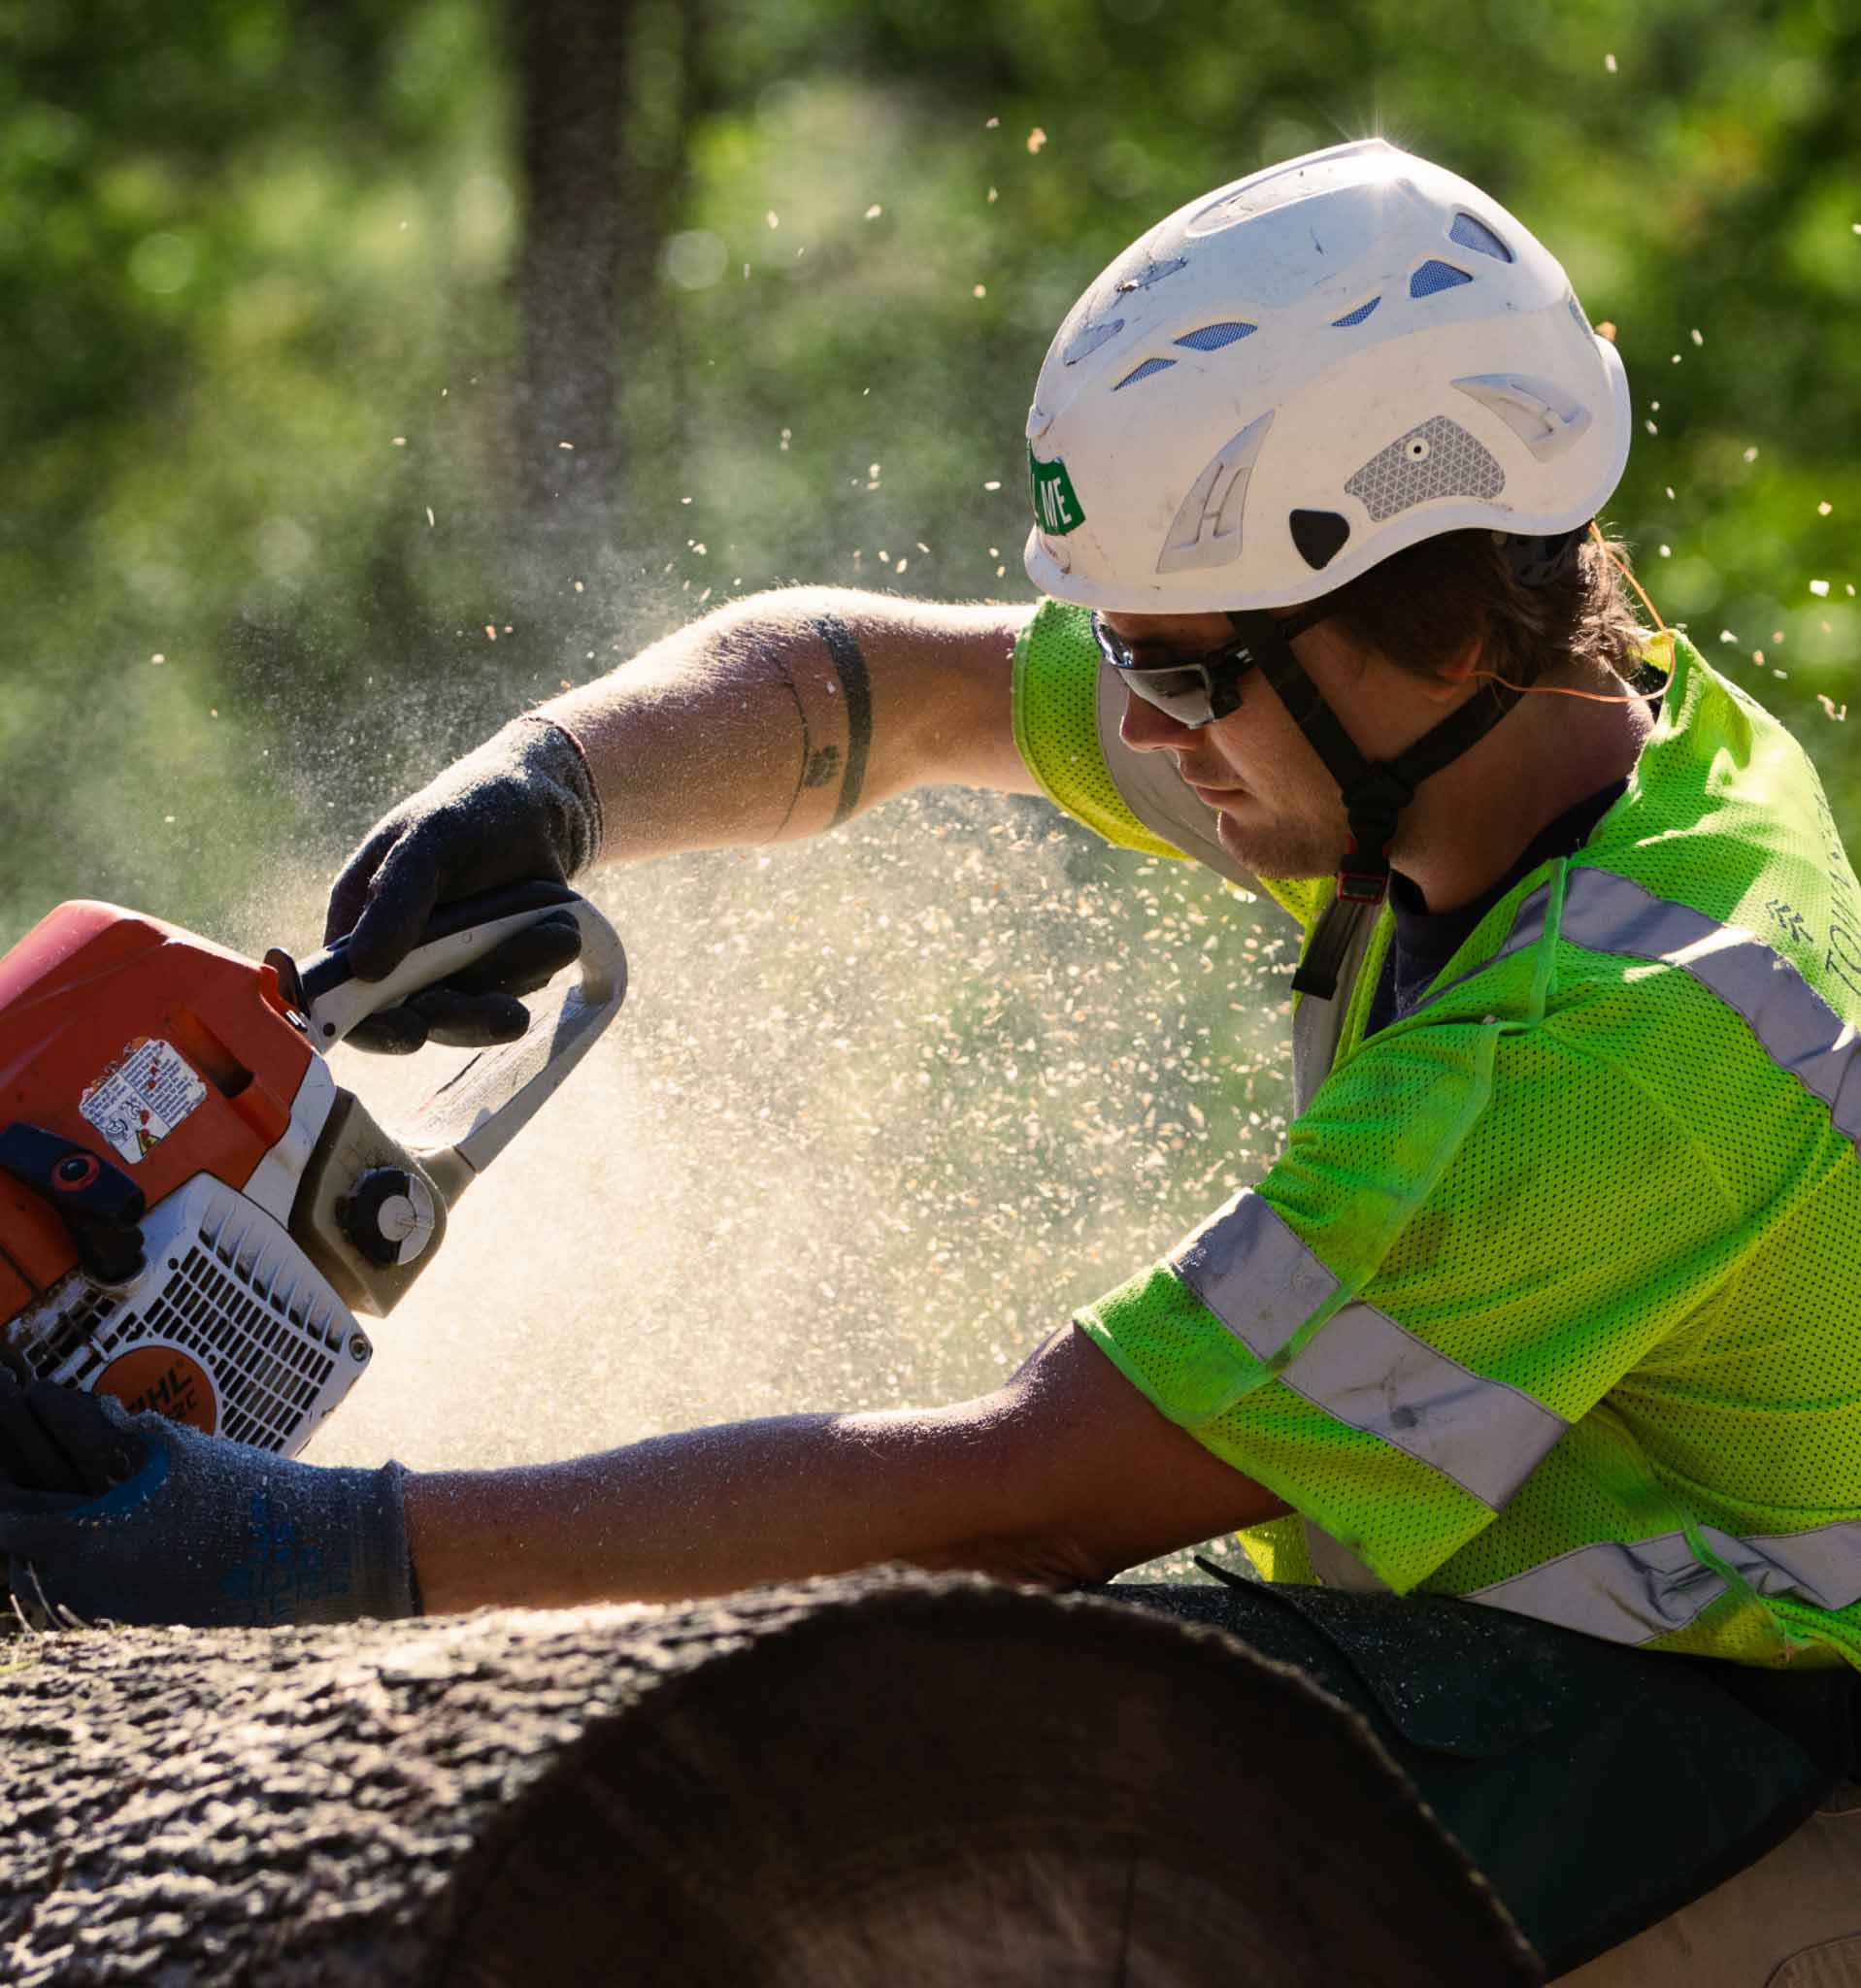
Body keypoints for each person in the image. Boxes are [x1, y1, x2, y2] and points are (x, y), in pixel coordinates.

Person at [3, 140, 1859, 1979]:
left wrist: (292, 1551)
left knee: (1042, 1827)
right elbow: (872, 685)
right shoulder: (1519, 738)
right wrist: (552, 785)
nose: (1136, 721)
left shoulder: (1605, 1040)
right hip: (1544, 1662)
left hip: (1766, 1766)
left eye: (1184, 674)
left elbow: (1025, 1495)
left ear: (1434, 614)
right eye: (1130, 653)